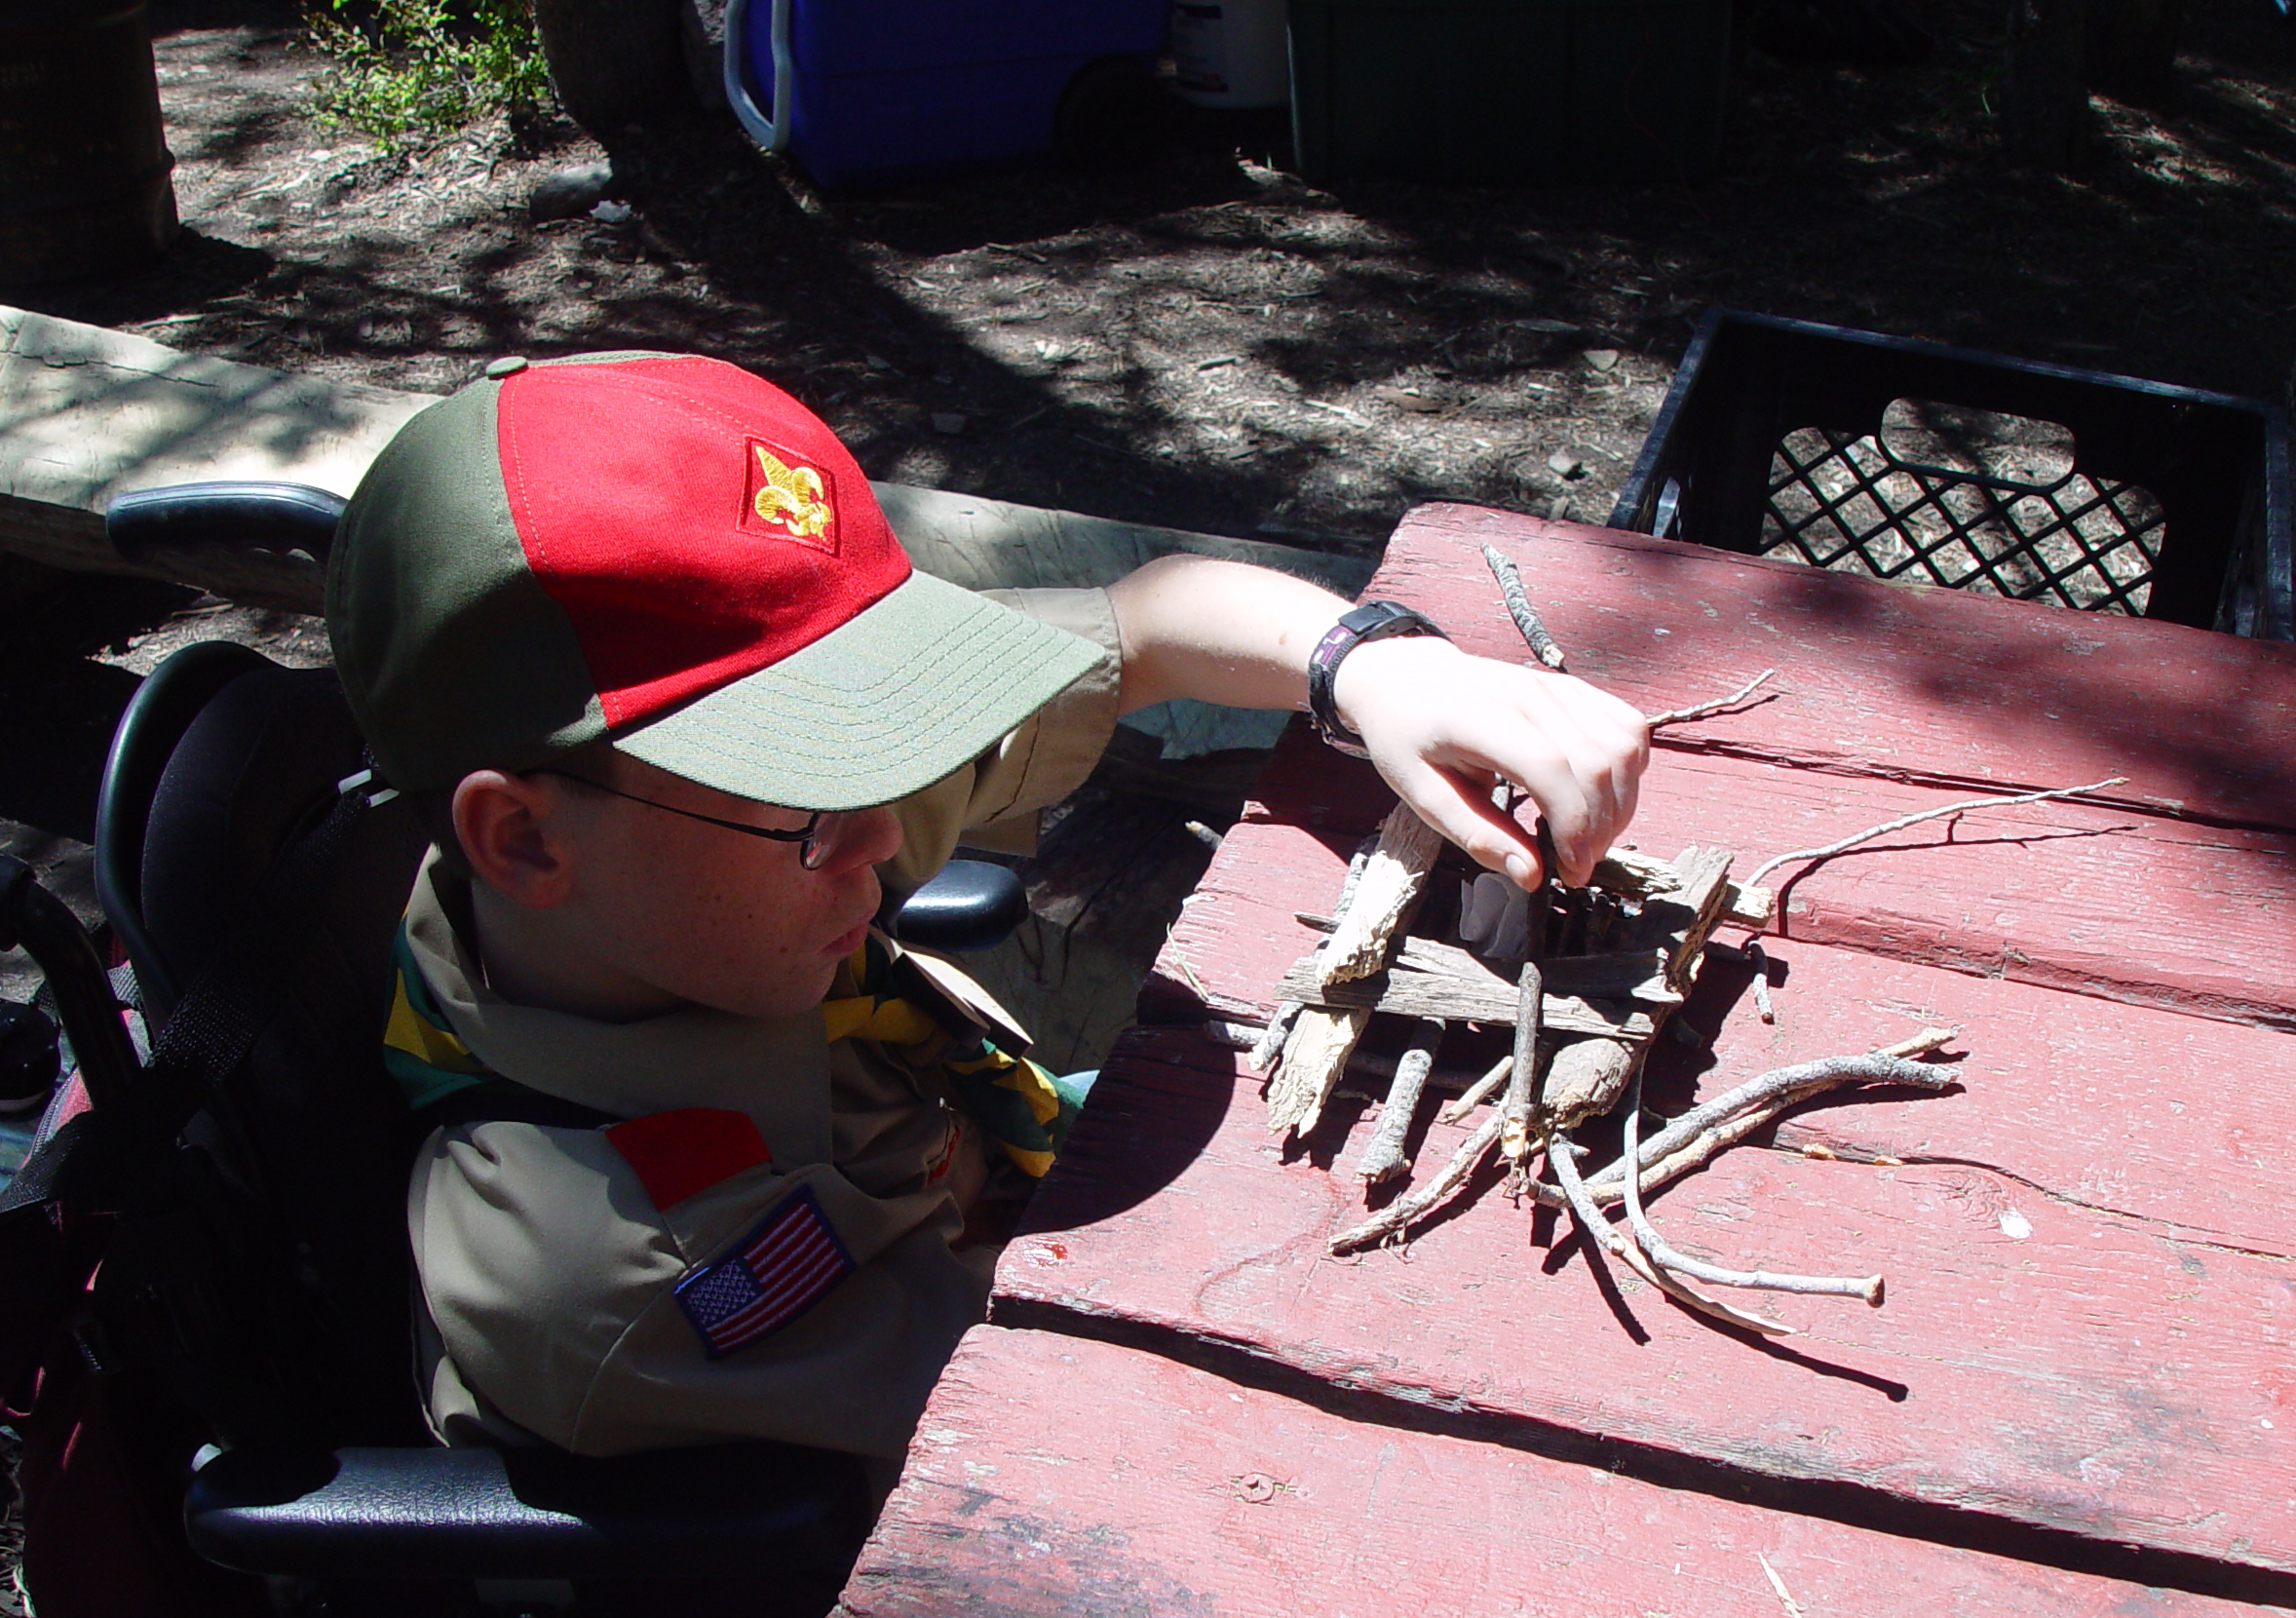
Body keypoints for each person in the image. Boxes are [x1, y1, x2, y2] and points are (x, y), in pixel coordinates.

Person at [328, 350, 1648, 1462]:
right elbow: (1047, 1437)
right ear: (521, 839)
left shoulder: (707, 860)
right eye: (809, 786)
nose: (891, 828)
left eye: (878, 741)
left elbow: (1147, 626)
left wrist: (1374, 665)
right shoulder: (616, 1274)